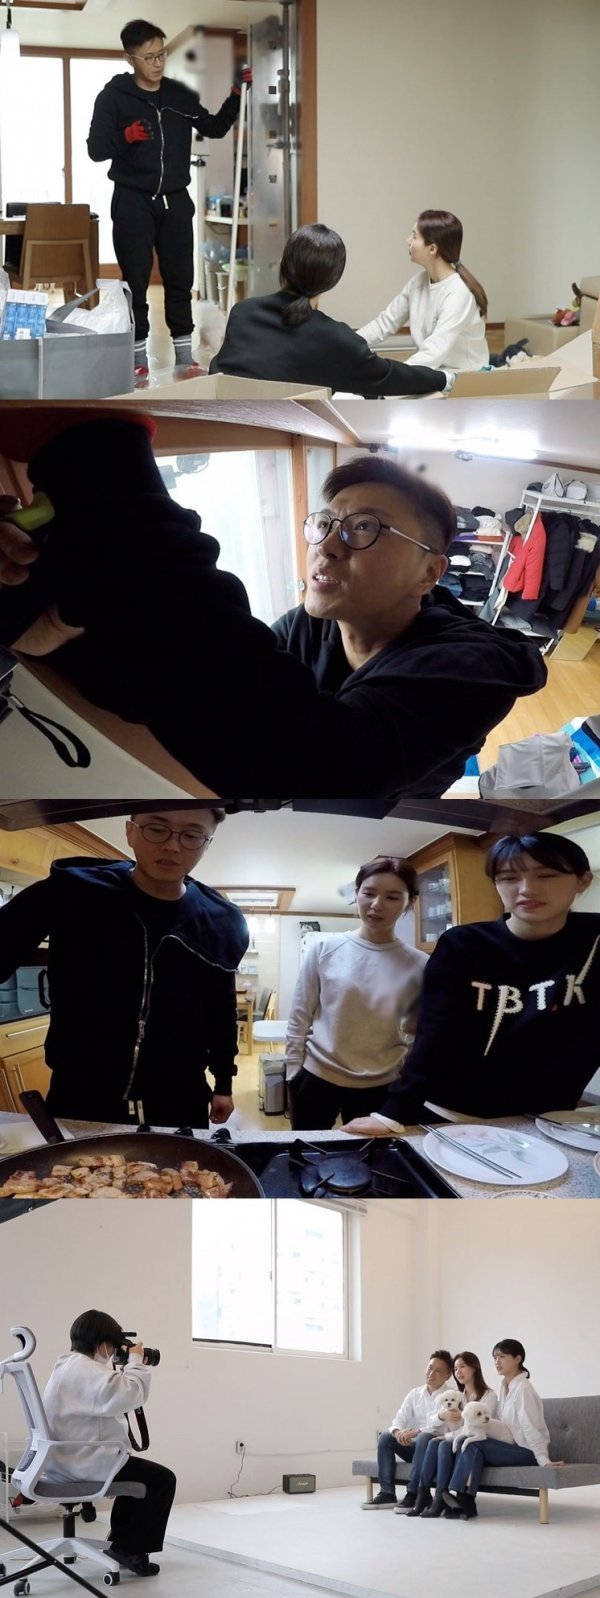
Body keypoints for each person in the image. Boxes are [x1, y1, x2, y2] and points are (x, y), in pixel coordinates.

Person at [0, 414, 547, 806]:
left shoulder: (473, 667)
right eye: (325, 523)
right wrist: (58, 631)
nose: (327, 545)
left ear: (429, 572)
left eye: (365, 527)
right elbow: (201, 692)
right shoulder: (306, 626)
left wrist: (101, 467)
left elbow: (311, 767)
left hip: (386, 812)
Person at [0, 805, 249, 1126]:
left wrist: (224, 1083)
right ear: (130, 831)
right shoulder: (72, 891)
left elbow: (221, 1011)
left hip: (179, 1098)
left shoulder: (221, 922)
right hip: (81, 1094)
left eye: (191, 835)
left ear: (207, 843)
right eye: (157, 829)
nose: (172, 846)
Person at [343, 831, 600, 1136]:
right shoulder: (463, 944)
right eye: (508, 878)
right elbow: (435, 1032)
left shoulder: (594, 940)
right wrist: (394, 1112)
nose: (526, 889)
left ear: (583, 881)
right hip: (450, 1112)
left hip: (549, 1118)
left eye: (547, 875)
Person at [87, 19, 252, 382]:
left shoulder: (179, 95)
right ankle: (136, 356)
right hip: (132, 200)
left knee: (180, 278)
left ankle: (184, 357)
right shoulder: (113, 98)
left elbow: (214, 127)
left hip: (175, 199)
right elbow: (95, 149)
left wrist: (236, 95)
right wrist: (125, 136)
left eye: (161, 54)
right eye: (149, 57)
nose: (158, 62)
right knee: (136, 281)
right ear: (129, 58)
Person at [210, 223, 453, 397]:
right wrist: (444, 378)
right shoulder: (336, 340)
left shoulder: (242, 313)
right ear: (332, 280)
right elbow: (390, 377)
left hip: (223, 430)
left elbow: (218, 371)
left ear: (283, 265)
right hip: (285, 439)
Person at [286, 856, 427, 1129]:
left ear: (409, 902)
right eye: (369, 893)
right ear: (356, 894)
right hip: (317, 1077)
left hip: (381, 1084)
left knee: (367, 1155)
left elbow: (416, 1032)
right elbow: (300, 1014)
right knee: (306, 1151)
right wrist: (293, 1071)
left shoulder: (419, 964)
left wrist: (405, 1079)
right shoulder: (325, 949)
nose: (377, 905)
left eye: (392, 897)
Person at [43, 1310, 176, 1577]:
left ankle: (122, 1543)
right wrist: (135, 1360)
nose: (114, 1351)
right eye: (114, 1345)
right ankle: (130, 1549)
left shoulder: (66, 1366)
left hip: (63, 1461)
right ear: (103, 1342)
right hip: (82, 1464)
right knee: (161, 1479)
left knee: (134, 1470)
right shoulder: (86, 1371)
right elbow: (132, 1394)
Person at [441, 1339, 564, 1520]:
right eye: (495, 1357)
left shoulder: (523, 1388)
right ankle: (465, 1502)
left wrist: (543, 1459)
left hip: (527, 1451)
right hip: (510, 1447)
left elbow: (530, 1427)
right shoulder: (505, 1387)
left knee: (474, 1444)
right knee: (470, 1442)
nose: (497, 1361)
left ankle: (462, 1498)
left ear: (517, 1359)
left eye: (502, 1357)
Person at [357, 210, 489, 372]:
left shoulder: (459, 293)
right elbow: (384, 323)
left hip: (465, 377)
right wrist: (347, 343)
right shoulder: (418, 283)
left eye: (414, 236)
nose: (408, 240)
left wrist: (393, 377)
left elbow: (433, 352)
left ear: (432, 249)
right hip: (436, 371)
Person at [361, 1350, 456, 1512]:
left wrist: (416, 1432)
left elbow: (439, 1427)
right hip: (414, 1447)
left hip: (434, 1451)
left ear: (447, 1375)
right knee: (385, 1437)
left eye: (438, 1371)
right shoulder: (415, 1394)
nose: (431, 1373)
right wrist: (398, 1432)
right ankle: (387, 1493)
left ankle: (414, 1493)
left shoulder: (450, 1396)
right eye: (430, 1368)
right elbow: (399, 1419)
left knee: (424, 1437)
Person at [412, 1351, 498, 1518]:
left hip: (479, 1440)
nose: (458, 1372)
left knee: (443, 1443)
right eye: (456, 1369)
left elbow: (477, 1426)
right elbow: (435, 1420)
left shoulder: (489, 1395)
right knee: (434, 1442)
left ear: (474, 1368)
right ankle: (427, 1496)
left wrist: (448, 1436)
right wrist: (443, 1416)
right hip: (461, 1438)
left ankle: (442, 1499)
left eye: (462, 1367)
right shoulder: (458, 1397)